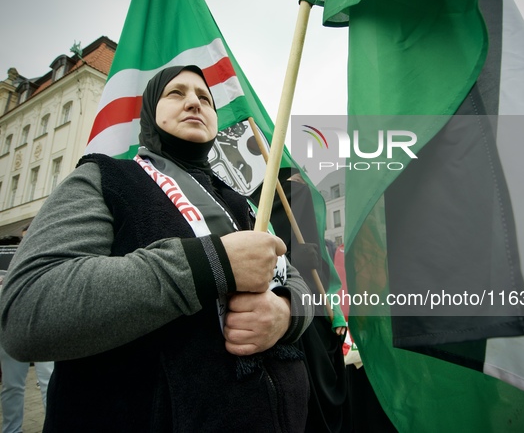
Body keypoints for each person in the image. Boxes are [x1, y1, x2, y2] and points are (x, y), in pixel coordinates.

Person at [0, 65, 313, 432]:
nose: (194, 103)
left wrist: (286, 314)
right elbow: (25, 312)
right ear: (149, 111)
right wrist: (211, 263)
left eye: (205, 98)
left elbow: (296, 283)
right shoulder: (104, 179)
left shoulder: (242, 203)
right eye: (176, 94)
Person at [251, 170, 351, 432]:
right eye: (290, 183)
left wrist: (335, 311)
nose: (298, 190)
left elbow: (324, 275)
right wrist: (292, 260)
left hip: (315, 318)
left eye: (299, 181)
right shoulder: (256, 209)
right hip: (289, 323)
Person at [0, 228, 54, 433]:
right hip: (11, 328)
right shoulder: (11, 263)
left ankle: (52, 426)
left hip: (42, 325)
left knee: (49, 381)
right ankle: (11, 430)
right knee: (12, 385)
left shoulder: (48, 254)